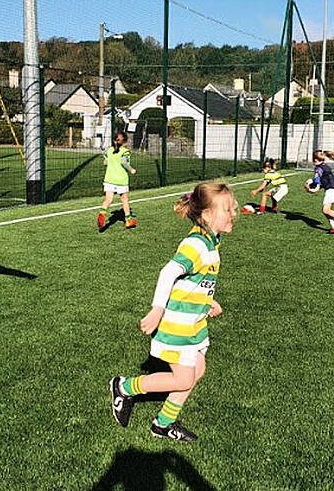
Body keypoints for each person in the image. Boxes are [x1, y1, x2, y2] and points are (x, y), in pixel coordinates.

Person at [109, 182, 237, 441]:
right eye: (227, 208)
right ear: (207, 215)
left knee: (197, 371)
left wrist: (207, 301)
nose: (233, 212)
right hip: (177, 325)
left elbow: (195, 278)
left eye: (233, 207)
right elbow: (168, 273)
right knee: (182, 380)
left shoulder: (212, 240)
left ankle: (162, 424)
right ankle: (124, 387)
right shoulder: (196, 244)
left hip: (195, 322)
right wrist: (157, 310)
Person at [98, 131, 137, 231]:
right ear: (125, 142)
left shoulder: (109, 150)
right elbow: (123, 162)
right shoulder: (125, 151)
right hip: (120, 179)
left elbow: (105, 162)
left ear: (114, 141)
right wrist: (131, 169)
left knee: (108, 200)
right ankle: (128, 220)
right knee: (124, 199)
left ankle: (102, 213)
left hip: (109, 179)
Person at [306, 149, 334, 234]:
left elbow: (317, 182)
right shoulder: (325, 166)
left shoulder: (318, 169)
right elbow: (323, 183)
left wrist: (310, 188)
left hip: (332, 190)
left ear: (315, 160)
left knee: (326, 210)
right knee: (326, 211)